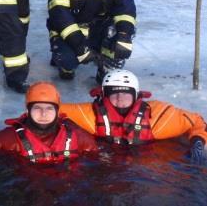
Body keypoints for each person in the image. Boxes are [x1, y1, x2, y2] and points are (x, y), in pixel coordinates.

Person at [60, 69, 207, 165]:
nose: (120, 99)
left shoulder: (158, 118)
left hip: (144, 165)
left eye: (126, 94)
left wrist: (198, 141)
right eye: (114, 94)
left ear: (136, 96)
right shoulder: (89, 115)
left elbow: (197, 121)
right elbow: (50, 107)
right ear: (103, 96)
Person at [47, 0, 136, 81]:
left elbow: (125, 6)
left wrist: (124, 34)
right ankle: (66, 67)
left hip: (102, 26)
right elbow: (59, 15)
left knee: (120, 40)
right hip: (73, 28)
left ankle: (106, 68)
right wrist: (78, 44)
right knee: (66, 59)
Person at [0, 82, 98, 163]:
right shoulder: (7, 140)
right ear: (27, 110)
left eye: (49, 108)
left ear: (57, 111)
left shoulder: (79, 137)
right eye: (37, 108)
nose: (43, 114)